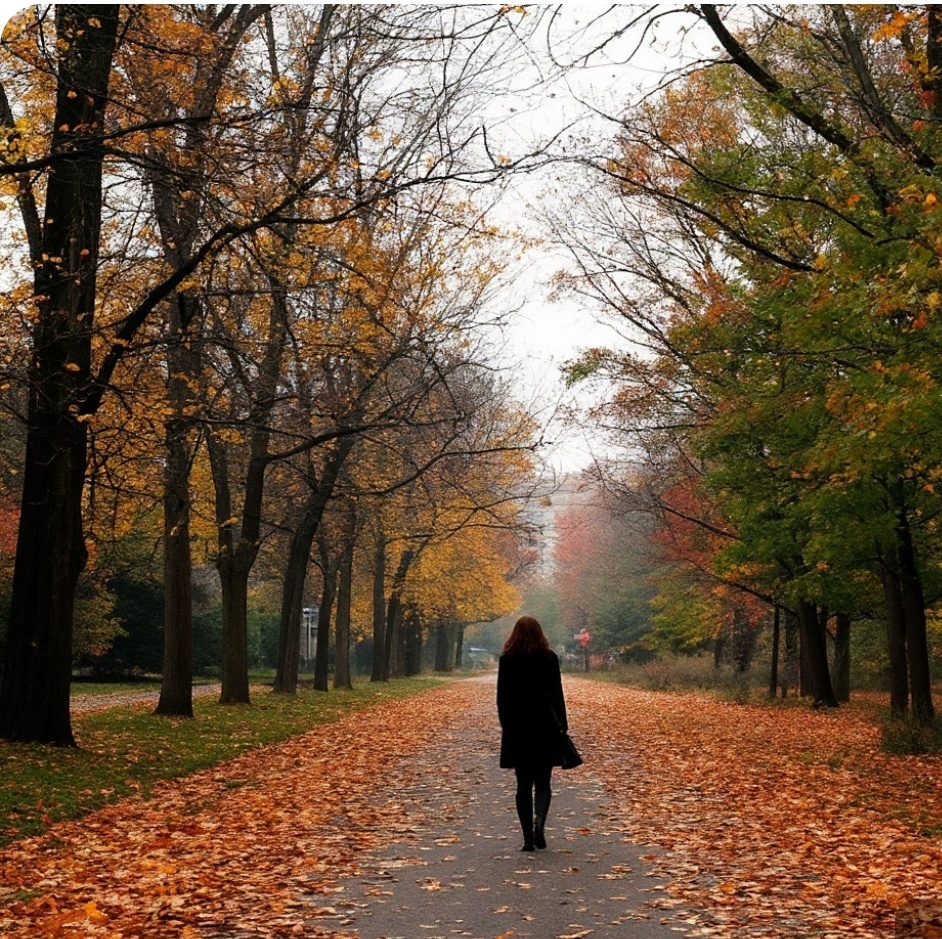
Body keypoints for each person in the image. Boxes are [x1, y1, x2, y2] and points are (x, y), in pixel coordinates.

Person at [496, 614, 568, 852]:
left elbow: (502, 698)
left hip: (518, 728)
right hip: (545, 726)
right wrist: (562, 726)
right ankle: (540, 824)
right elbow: (557, 695)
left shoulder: (507, 660)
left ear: (514, 634)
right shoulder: (549, 659)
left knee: (523, 785)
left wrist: (507, 726)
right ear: (539, 633)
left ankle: (527, 839)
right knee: (544, 782)